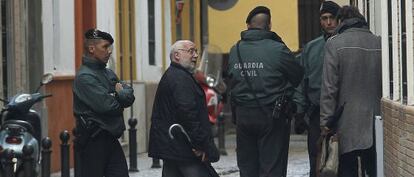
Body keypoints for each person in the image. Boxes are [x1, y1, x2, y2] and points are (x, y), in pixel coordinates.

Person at [227, 6, 304, 177]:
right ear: (269, 25)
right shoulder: (278, 49)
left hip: (243, 115)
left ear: (248, 26)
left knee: (247, 166)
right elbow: (297, 74)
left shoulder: (235, 50)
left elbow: (231, 78)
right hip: (271, 114)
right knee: (272, 166)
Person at [320, 6, 381, 177]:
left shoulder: (334, 44)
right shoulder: (378, 42)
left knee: (347, 169)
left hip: (345, 122)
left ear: (340, 22)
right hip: (377, 121)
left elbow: (329, 88)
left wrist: (326, 123)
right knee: (374, 168)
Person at [148, 40, 219, 177]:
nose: (196, 55)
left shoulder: (178, 75)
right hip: (183, 147)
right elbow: (188, 114)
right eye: (191, 51)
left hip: (174, 145)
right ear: (177, 55)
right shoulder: (179, 78)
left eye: (196, 51)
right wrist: (201, 145)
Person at [73, 29, 135, 177]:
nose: (109, 51)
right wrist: (118, 96)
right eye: (105, 47)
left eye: (110, 47)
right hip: (93, 140)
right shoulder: (85, 77)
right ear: (92, 48)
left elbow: (129, 95)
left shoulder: (108, 73)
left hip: (111, 138)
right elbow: (109, 106)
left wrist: (118, 94)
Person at [293, 1, 340, 177]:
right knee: (316, 158)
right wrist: (299, 112)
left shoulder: (343, 44)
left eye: (332, 18)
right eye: (324, 18)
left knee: (339, 160)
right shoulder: (311, 48)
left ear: (339, 19)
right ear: (320, 21)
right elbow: (301, 81)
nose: (328, 23)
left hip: (340, 111)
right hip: (316, 112)